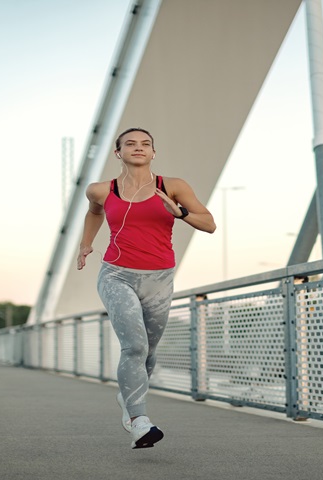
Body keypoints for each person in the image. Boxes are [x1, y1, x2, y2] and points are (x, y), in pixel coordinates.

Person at [76, 127, 216, 449]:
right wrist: (86, 245)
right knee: (135, 347)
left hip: (159, 279)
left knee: (149, 354)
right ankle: (139, 421)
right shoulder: (100, 190)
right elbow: (94, 213)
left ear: (154, 152)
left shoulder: (173, 186)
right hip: (117, 275)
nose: (138, 148)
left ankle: (128, 399)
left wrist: (179, 213)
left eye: (145, 144)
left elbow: (208, 223)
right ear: (118, 152)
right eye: (130, 144)